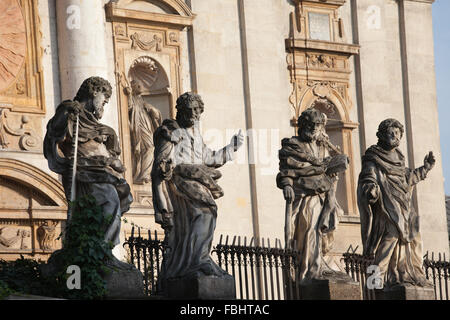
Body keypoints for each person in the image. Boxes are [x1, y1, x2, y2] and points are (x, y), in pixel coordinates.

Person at [151, 92, 244, 286]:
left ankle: (197, 259)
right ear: (180, 111)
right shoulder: (169, 132)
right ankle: (198, 261)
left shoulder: (196, 134)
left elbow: (208, 158)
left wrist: (231, 148)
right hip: (180, 184)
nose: (193, 114)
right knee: (206, 212)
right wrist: (160, 203)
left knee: (204, 215)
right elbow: (159, 168)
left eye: (197, 110)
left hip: (198, 181)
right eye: (189, 110)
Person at [44, 76, 133, 248]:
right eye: (104, 97)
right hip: (85, 173)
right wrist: (67, 114)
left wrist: (112, 161)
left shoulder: (97, 125)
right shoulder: (70, 112)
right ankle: (100, 251)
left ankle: (102, 252)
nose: (106, 101)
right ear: (94, 92)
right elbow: (54, 134)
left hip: (104, 173)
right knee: (109, 203)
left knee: (110, 206)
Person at [357, 118, 435, 288]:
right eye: (390, 133)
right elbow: (369, 177)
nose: (395, 136)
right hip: (387, 206)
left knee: (413, 238)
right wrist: (371, 189)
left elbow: (407, 179)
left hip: (404, 207)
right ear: (381, 135)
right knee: (389, 239)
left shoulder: (399, 158)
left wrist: (425, 169)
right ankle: (373, 282)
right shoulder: (374, 158)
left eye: (397, 133)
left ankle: (408, 272)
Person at [276, 108, 347, 284]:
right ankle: (309, 269)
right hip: (304, 196)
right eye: (312, 125)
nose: (315, 129)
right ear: (304, 125)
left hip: (322, 194)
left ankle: (319, 264)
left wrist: (333, 165)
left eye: (318, 126)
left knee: (320, 232)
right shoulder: (293, 145)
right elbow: (286, 170)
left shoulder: (320, 146)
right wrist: (287, 185)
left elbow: (326, 168)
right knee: (309, 229)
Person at [127, 79, 162, 184]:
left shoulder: (142, 101)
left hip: (146, 126)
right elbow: (128, 107)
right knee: (148, 148)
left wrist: (152, 110)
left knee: (150, 148)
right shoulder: (132, 98)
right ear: (133, 87)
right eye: (138, 86)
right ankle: (143, 175)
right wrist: (128, 95)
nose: (141, 88)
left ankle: (144, 174)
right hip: (139, 127)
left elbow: (156, 115)